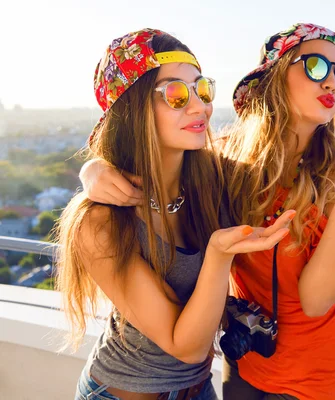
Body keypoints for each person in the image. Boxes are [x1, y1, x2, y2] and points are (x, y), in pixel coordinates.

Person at [79, 23, 335, 400]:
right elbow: (149, 164)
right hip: (245, 359)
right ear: (276, 74)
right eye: (316, 67)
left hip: (315, 373)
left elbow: (315, 301)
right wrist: (94, 170)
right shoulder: (225, 163)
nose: (332, 84)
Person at [56, 28, 293, 400]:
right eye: (176, 94)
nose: (200, 106)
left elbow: (285, 145)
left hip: (198, 388)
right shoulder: (100, 223)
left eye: (201, 89)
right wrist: (218, 255)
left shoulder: (209, 181)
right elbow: (186, 346)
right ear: (132, 107)